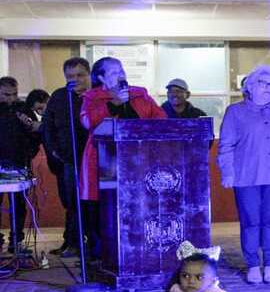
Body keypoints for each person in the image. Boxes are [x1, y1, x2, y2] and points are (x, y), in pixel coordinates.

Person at [218, 65, 270, 284]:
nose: (267, 88)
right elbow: (226, 145)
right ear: (250, 87)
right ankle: (253, 264)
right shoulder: (235, 112)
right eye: (262, 83)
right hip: (246, 176)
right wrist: (228, 172)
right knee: (251, 221)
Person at [80, 57, 166, 257]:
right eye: (113, 72)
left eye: (121, 70)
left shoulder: (139, 94)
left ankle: (136, 252)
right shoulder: (92, 97)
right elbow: (87, 122)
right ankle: (102, 255)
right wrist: (114, 104)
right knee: (103, 211)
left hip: (138, 162)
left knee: (136, 208)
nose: (120, 75)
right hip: (103, 163)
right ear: (101, 77)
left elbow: (161, 118)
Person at [42, 58, 91, 258]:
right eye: (70, 76)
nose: (75, 80)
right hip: (67, 159)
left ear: (89, 75)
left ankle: (89, 243)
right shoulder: (60, 96)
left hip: (92, 159)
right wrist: (54, 151)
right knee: (71, 202)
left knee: (90, 203)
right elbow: (48, 127)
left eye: (80, 75)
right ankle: (71, 241)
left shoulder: (96, 96)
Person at [0, 76, 40, 252]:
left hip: (19, 163)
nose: (11, 98)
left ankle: (16, 241)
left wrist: (29, 154)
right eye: (6, 95)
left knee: (19, 205)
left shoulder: (24, 110)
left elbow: (36, 135)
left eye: (14, 94)